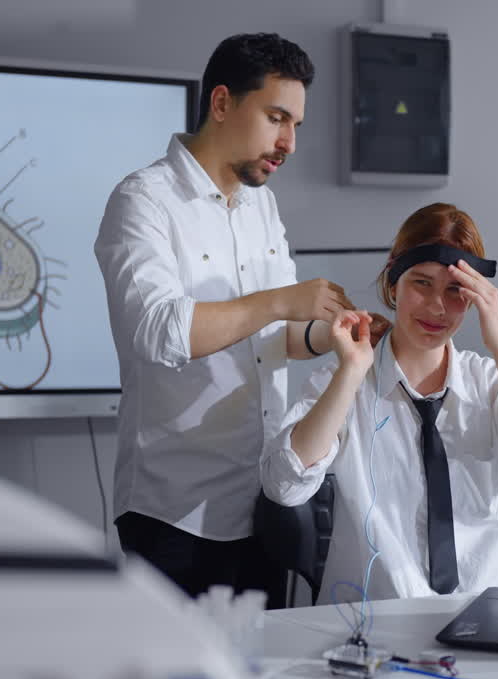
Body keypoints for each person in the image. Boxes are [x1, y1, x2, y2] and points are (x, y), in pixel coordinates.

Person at [95, 33, 377, 599]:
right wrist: (279, 301)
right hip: (173, 514)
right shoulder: (143, 200)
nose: (290, 142)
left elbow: (277, 339)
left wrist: (333, 334)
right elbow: (156, 332)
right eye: (277, 118)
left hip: (264, 502)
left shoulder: (260, 206)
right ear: (222, 103)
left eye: (296, 123)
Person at [261, 203, 498, 604]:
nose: (437, 308)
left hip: (491, 614)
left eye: (454, 291)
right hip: (375, 621)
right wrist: (351, 371)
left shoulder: (489, 382)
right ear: (393, 282)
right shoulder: (344, 382)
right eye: (422, 284)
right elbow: (283, 486)